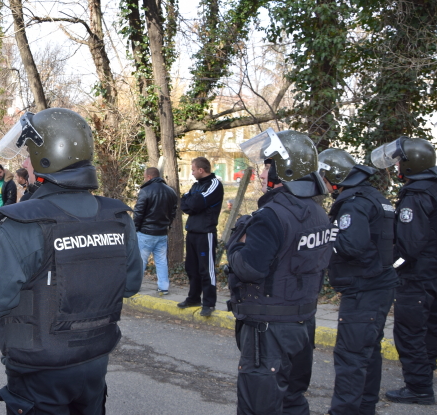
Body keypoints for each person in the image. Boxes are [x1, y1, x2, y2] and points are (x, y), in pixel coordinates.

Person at [0, 108, 143, 415]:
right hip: (94, 363)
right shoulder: (116, 218)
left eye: (28, 155)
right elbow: (130, 285)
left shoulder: (23, 224)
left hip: (39, 370)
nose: (23, 162)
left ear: (46, 159)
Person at [226, 128, 334, 415]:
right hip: (302, 324)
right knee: (292, 402)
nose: (262, 172)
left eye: (267, 165)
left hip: (269, 330)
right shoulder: (316, 212)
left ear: (283, 168)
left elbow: (249, 268)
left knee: (259, 407)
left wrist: (234, 247)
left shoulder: (271, 216)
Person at [318, 148, 398, 414]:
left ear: (335, 176)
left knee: (351, 356)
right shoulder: (375, 197)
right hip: (379, 283)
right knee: (368, 352)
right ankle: (365, 407)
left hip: (365, 288)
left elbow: (351, 245)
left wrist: (327, 235)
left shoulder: (354, 203)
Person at [371, 137, 437, 405]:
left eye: (400, 160)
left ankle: (419, 388)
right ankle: (423, 379)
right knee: (431, 330)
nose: (398, 165)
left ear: (412, 164)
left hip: (418, 278)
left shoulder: (416, 197)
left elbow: (409, 247)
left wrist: (388, 267)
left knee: (410, 332)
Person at [178, 156, 224, 316]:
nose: (191, 173)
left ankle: (209, 303)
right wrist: (190, 201)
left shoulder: (214, 184)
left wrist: (191, 201)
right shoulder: (196, 185)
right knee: (191, 268)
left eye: (192, 170)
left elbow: (195, 203)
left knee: (206, 269)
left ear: (201, 170)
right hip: (192, 232)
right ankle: (193, 298)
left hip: (206, 233)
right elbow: (185, 204)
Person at [133, 166, 178, 295]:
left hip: (146, 232)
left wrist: (135, 229)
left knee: (140, 260)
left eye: (144, 177)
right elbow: (173, 212)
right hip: (162, 232)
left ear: (149, 177)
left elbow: (139, 213)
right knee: (161, 260)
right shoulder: (171, 191)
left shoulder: (145, 191)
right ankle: (163, 287)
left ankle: (135, 286)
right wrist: (167, 225)